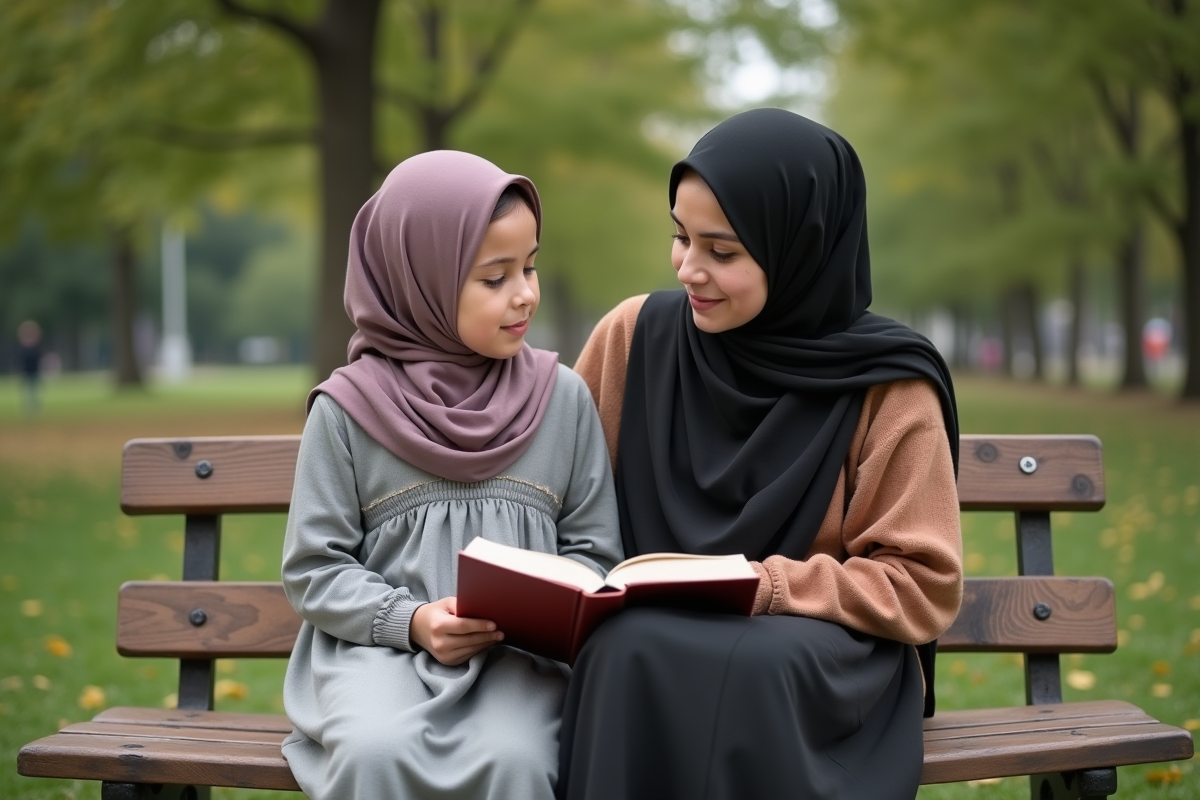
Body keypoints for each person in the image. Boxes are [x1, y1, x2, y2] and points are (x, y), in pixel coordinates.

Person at [557, 108, 963, 800]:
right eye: (680, 239)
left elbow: (920, 584)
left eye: (723, 252)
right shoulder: (634, 339)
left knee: (749, 664)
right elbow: (558, 498)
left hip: (818, 654)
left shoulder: (888, 384)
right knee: (625, 649)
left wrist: (768, 587)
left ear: (798, 249)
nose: (689, 269)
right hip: (646, 636)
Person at [280, 150, 623, 800]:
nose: (524, 292)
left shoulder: (564, 398)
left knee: (515, 758)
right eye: (495, 278)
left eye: (530, 266)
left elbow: (595, 549)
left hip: (517, 661)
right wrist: (411, 621)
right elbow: (314, 567)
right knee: (374, 750)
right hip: (379, 654)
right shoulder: (347, 409)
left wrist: (554, 601)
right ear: (423, 282)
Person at [16, 320, 43, 416]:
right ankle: (28, 409)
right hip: (26, 372)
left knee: (34, 391)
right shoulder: (23, 349)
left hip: (35, 371)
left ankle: (35, 408)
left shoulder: (36, 348)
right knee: (27, 391)